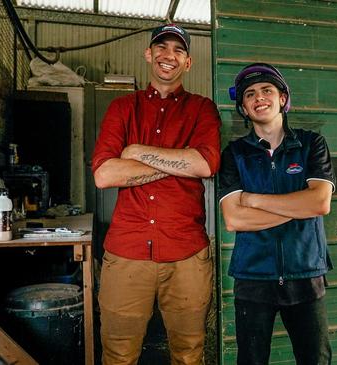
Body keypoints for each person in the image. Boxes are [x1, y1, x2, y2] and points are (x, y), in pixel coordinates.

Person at [92, 23, 221, 365]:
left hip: (186, 253)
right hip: (127, 252)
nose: (169, 56)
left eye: (179, 50)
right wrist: (180, 161)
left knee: (189, 353)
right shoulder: (122, 109)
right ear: (149, 54)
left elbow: (206, 164)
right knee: (118, 354)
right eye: (162, 48)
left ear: (188, 63)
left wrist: (134, 152)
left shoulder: (202, 109)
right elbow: (105, 174)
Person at [218, 63, 335, 365]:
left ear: (282, 98)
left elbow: (320, 203)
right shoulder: (234, 155)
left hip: (306, 271)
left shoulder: (311, 145)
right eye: (250, 94)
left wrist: (253, 199)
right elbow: (234, 219)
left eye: (267, 90)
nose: (259, 98)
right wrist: (298, 207)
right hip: (253, 276)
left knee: (316, 360)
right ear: (243, 107)